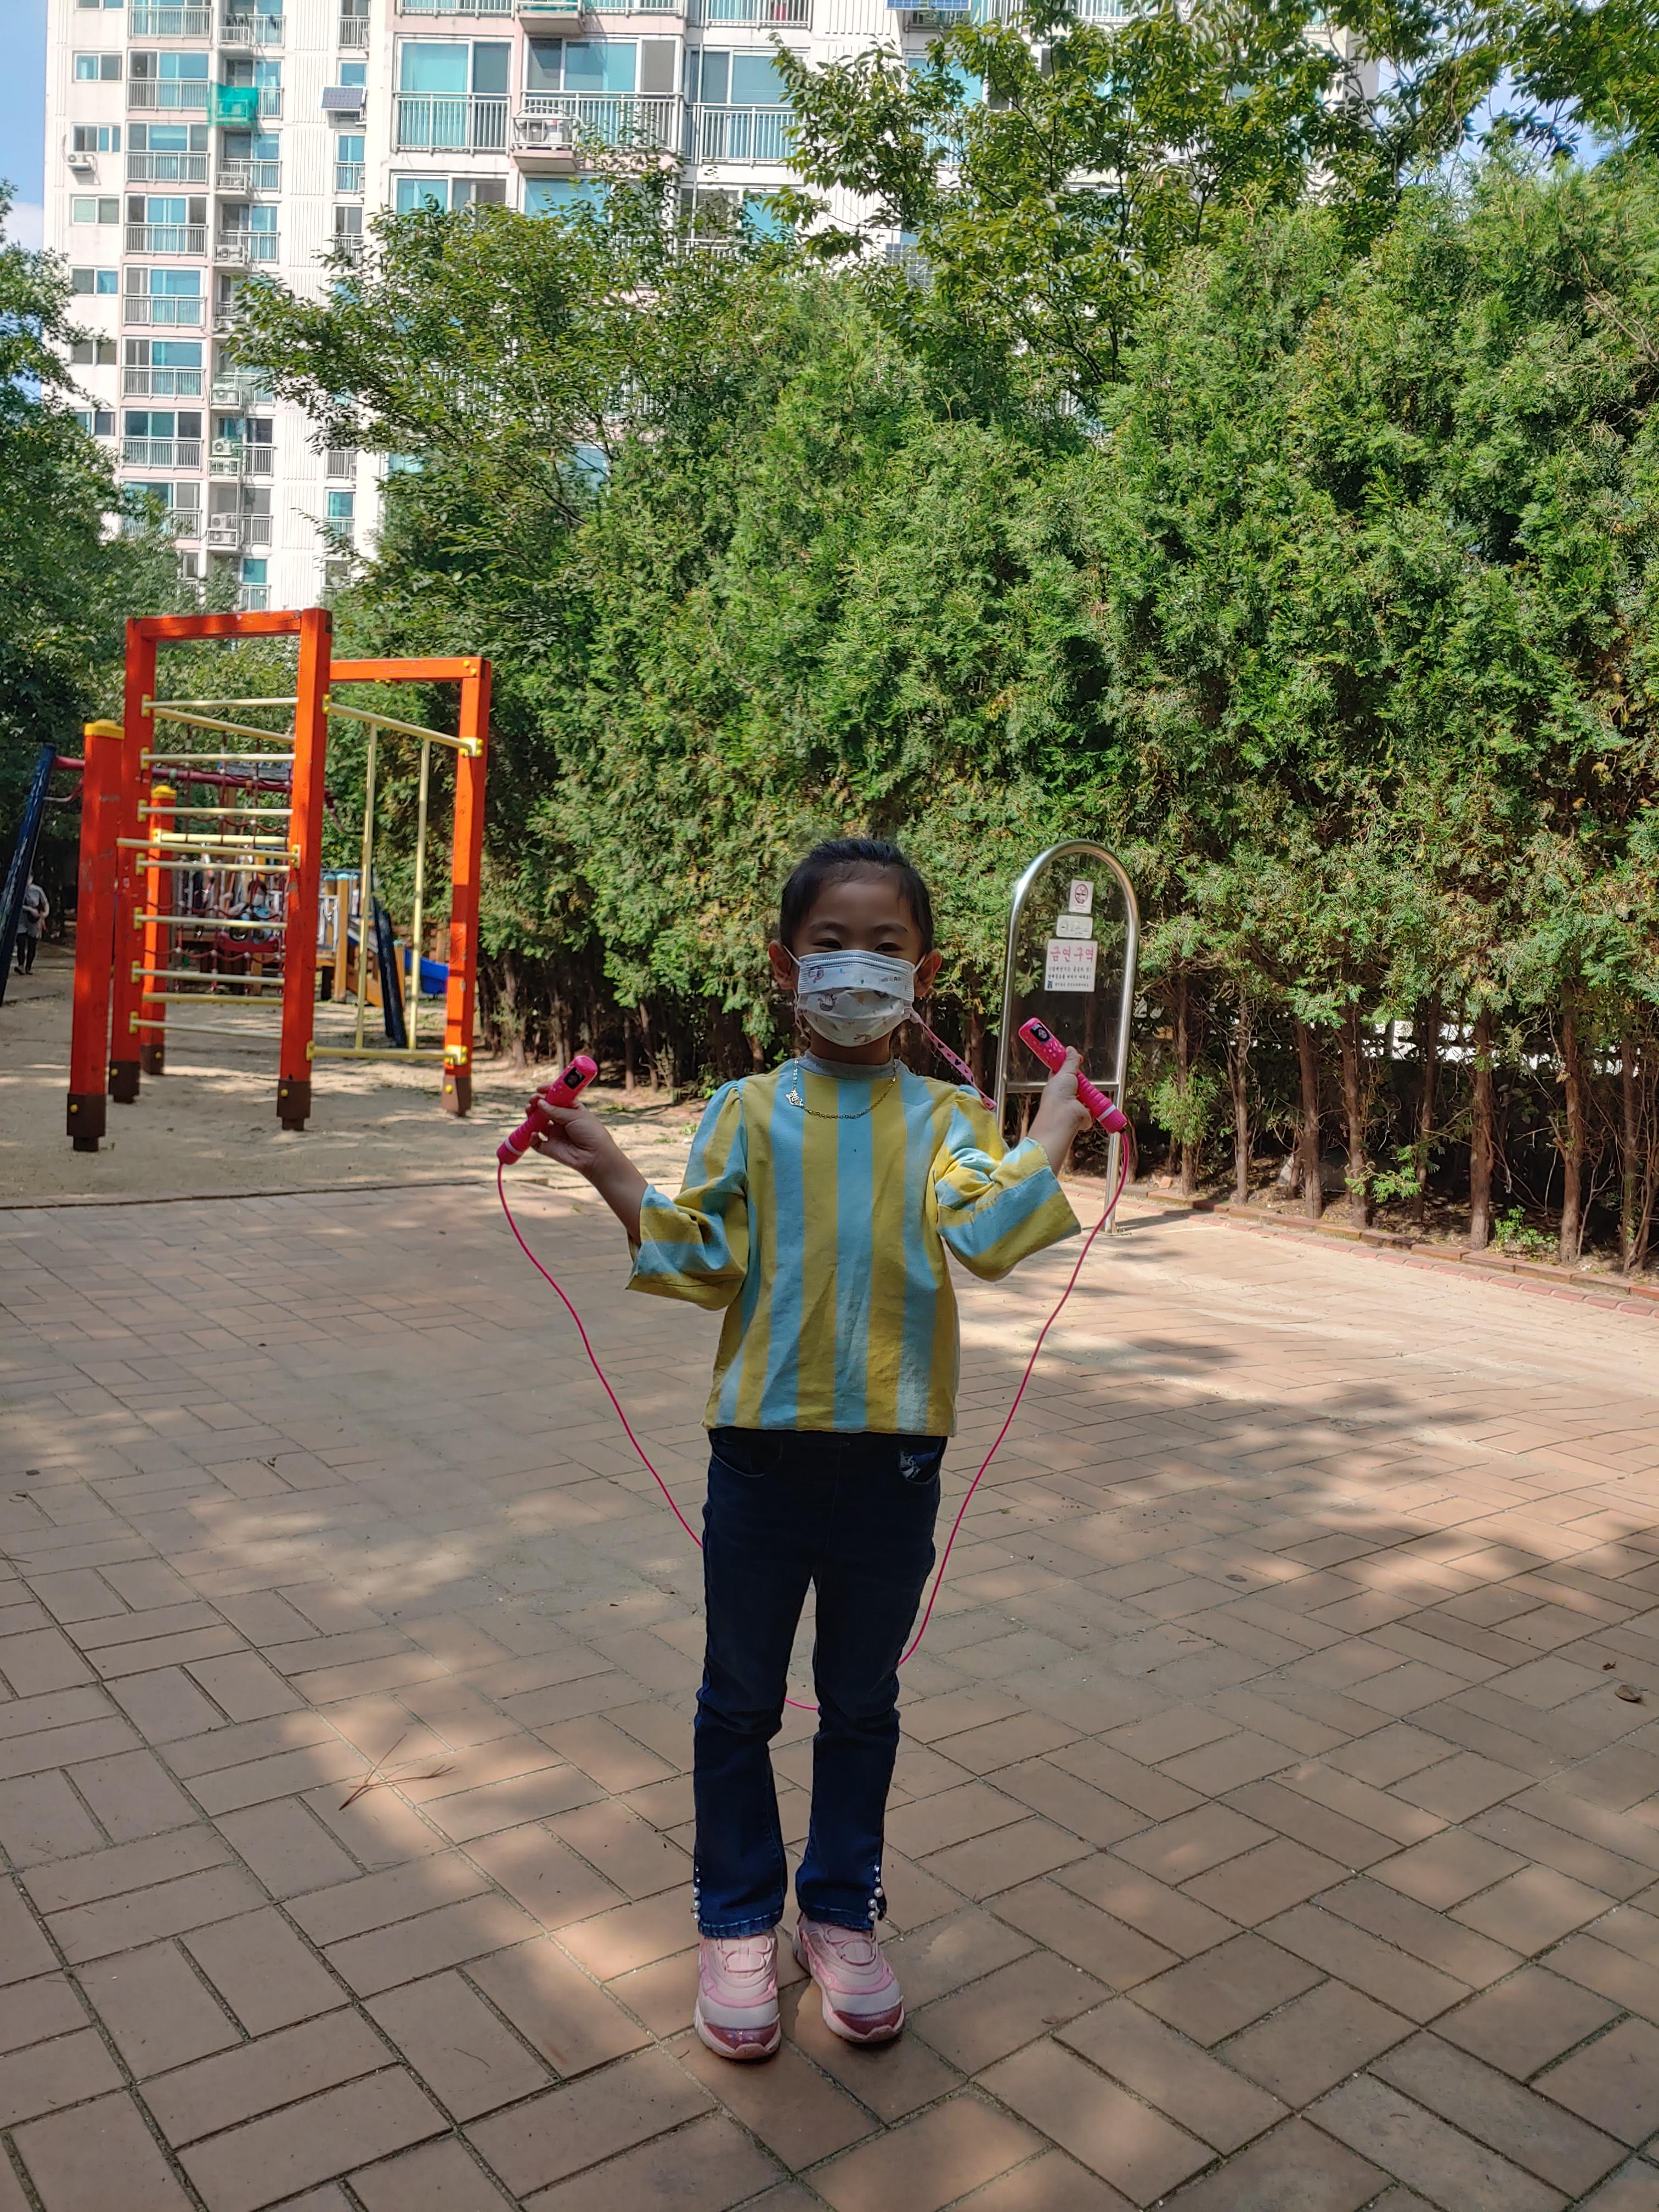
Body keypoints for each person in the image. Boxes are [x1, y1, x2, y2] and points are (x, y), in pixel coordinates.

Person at [526, 837, 1090, 2063]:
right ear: (786, 966)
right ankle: (735, 1922)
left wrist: (1049, 1131)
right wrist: (611, 1168)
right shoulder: (743, 1110)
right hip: (760, 1456)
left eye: (884, 947)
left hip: (895, 1460)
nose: (855, 967)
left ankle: (839, 1914)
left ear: (922, 974)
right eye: (830, 943)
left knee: (860, 1702)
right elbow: (703, 1263)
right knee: (737, 1700)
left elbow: (990, 1238)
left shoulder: (949, 1116)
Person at [15, 876, 48, 974]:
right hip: (22, 919)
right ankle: (21, 965)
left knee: (32, 943)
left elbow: (45, 903)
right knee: (21, 942)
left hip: (34, 921)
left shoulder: (37, 890)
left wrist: (45, 914)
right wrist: (30, 909)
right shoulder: (18, 889)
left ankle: (29, 967)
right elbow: (16, 903)